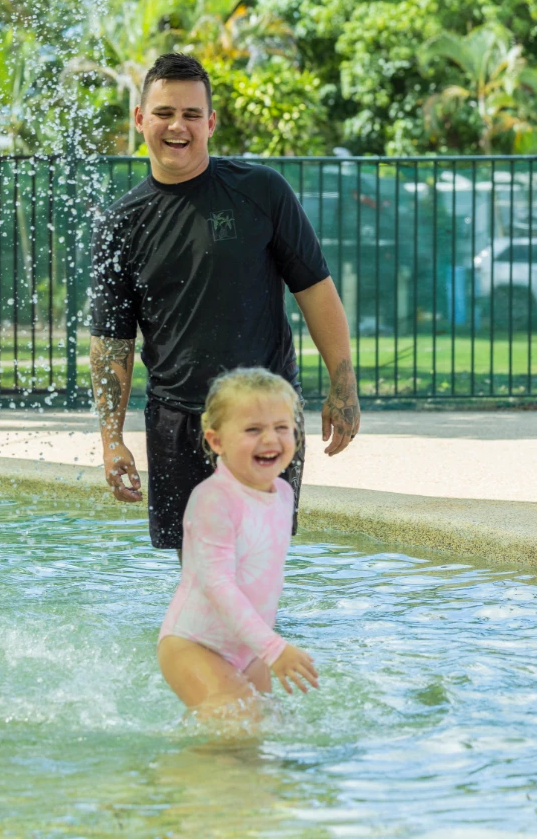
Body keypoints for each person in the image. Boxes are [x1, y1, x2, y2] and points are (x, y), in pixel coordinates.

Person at [89, 52, 360, 553]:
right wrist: (111, 439)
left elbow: (316, 290)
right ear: (140, 119)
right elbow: (112, 345)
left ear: (210, 123)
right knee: (199, 573)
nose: (178, 126)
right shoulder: (120, 224)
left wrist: (343, 387)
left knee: (254, 565)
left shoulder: (261, 191)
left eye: (192, 114)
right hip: (174, 421)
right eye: (165, 112)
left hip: (265, 417)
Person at [157, 368, 319, 714]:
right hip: (194, 643)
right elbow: (217, 584)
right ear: (217, 441)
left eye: (281, 428)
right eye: (253, 430)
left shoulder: (283, 493)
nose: (270, 440)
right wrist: (274, 649)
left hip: (248, 646)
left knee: (259, 734)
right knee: (234, 729)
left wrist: (262, 648)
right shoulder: (214, 499)